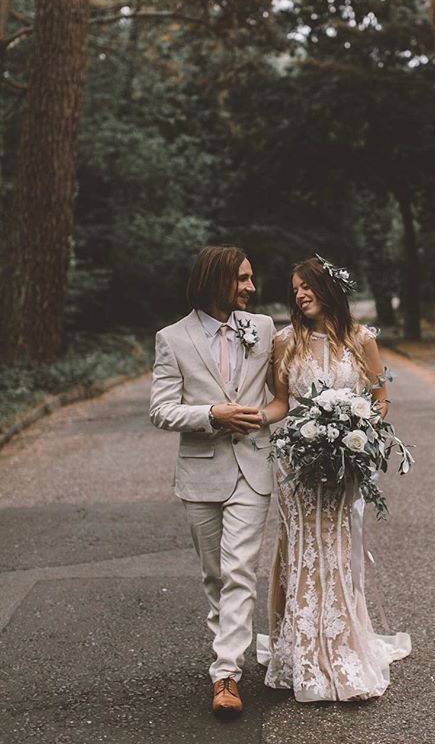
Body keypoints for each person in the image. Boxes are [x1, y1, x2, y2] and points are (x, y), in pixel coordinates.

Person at [256, 255, 411, 702]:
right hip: (295, 462)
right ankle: (301, 649)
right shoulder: (286, 342)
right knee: (302, 545)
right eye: (295, 289)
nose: (300, 294)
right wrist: (254, 419)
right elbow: (282, 403)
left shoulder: (362, 340)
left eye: (307, 286)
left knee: (338, 546)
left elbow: (380, 397)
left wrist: (362, 432)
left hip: (344, 460)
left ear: (329, 289)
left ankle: (341, 646)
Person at [149, 245, 276, 716]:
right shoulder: (172, 338)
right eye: (242, 279)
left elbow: (289, 379)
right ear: (216, 281)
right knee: (215, 575)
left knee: (240, 569)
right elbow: (160, 409)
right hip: (201, 470)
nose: (251, 287)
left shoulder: (261, 328)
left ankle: (226, 675)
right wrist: (210, 414)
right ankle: (230, 648)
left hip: (252, 468)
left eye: (251, 278)